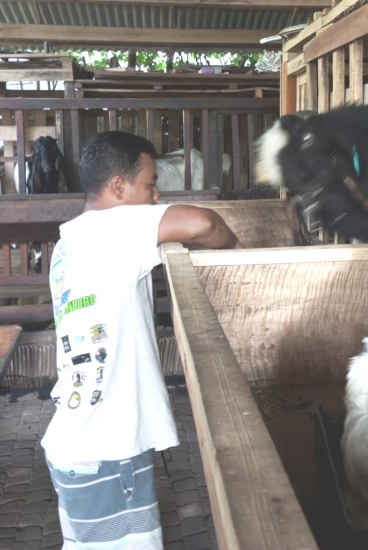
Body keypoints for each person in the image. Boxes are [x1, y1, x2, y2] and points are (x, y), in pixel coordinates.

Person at [41, 131, 241, 550]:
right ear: (118, 186)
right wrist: (236, 253)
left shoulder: (69, 240)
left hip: (77, 439)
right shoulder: (115, 225)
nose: (155, 196)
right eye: (150, 183)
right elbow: (207, 224)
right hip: (107, 449)